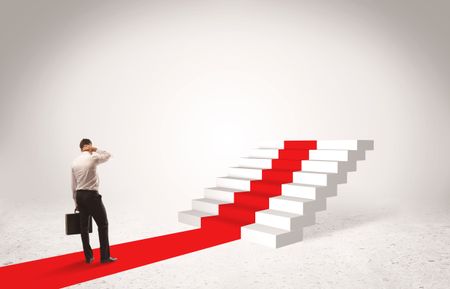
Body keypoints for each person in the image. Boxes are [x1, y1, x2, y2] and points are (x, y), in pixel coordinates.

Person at [71, 138, 118, 264]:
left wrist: (76, 203)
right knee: (103, 225)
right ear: (88, 146)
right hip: (91, 195)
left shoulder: (74, 162)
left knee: (84, 228)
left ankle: (89, 257)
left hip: (80, 195)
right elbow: (108, 155)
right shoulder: (93, 157)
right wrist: (95, 149)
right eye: (90, 147)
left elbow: (73, 185)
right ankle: (104, 257)